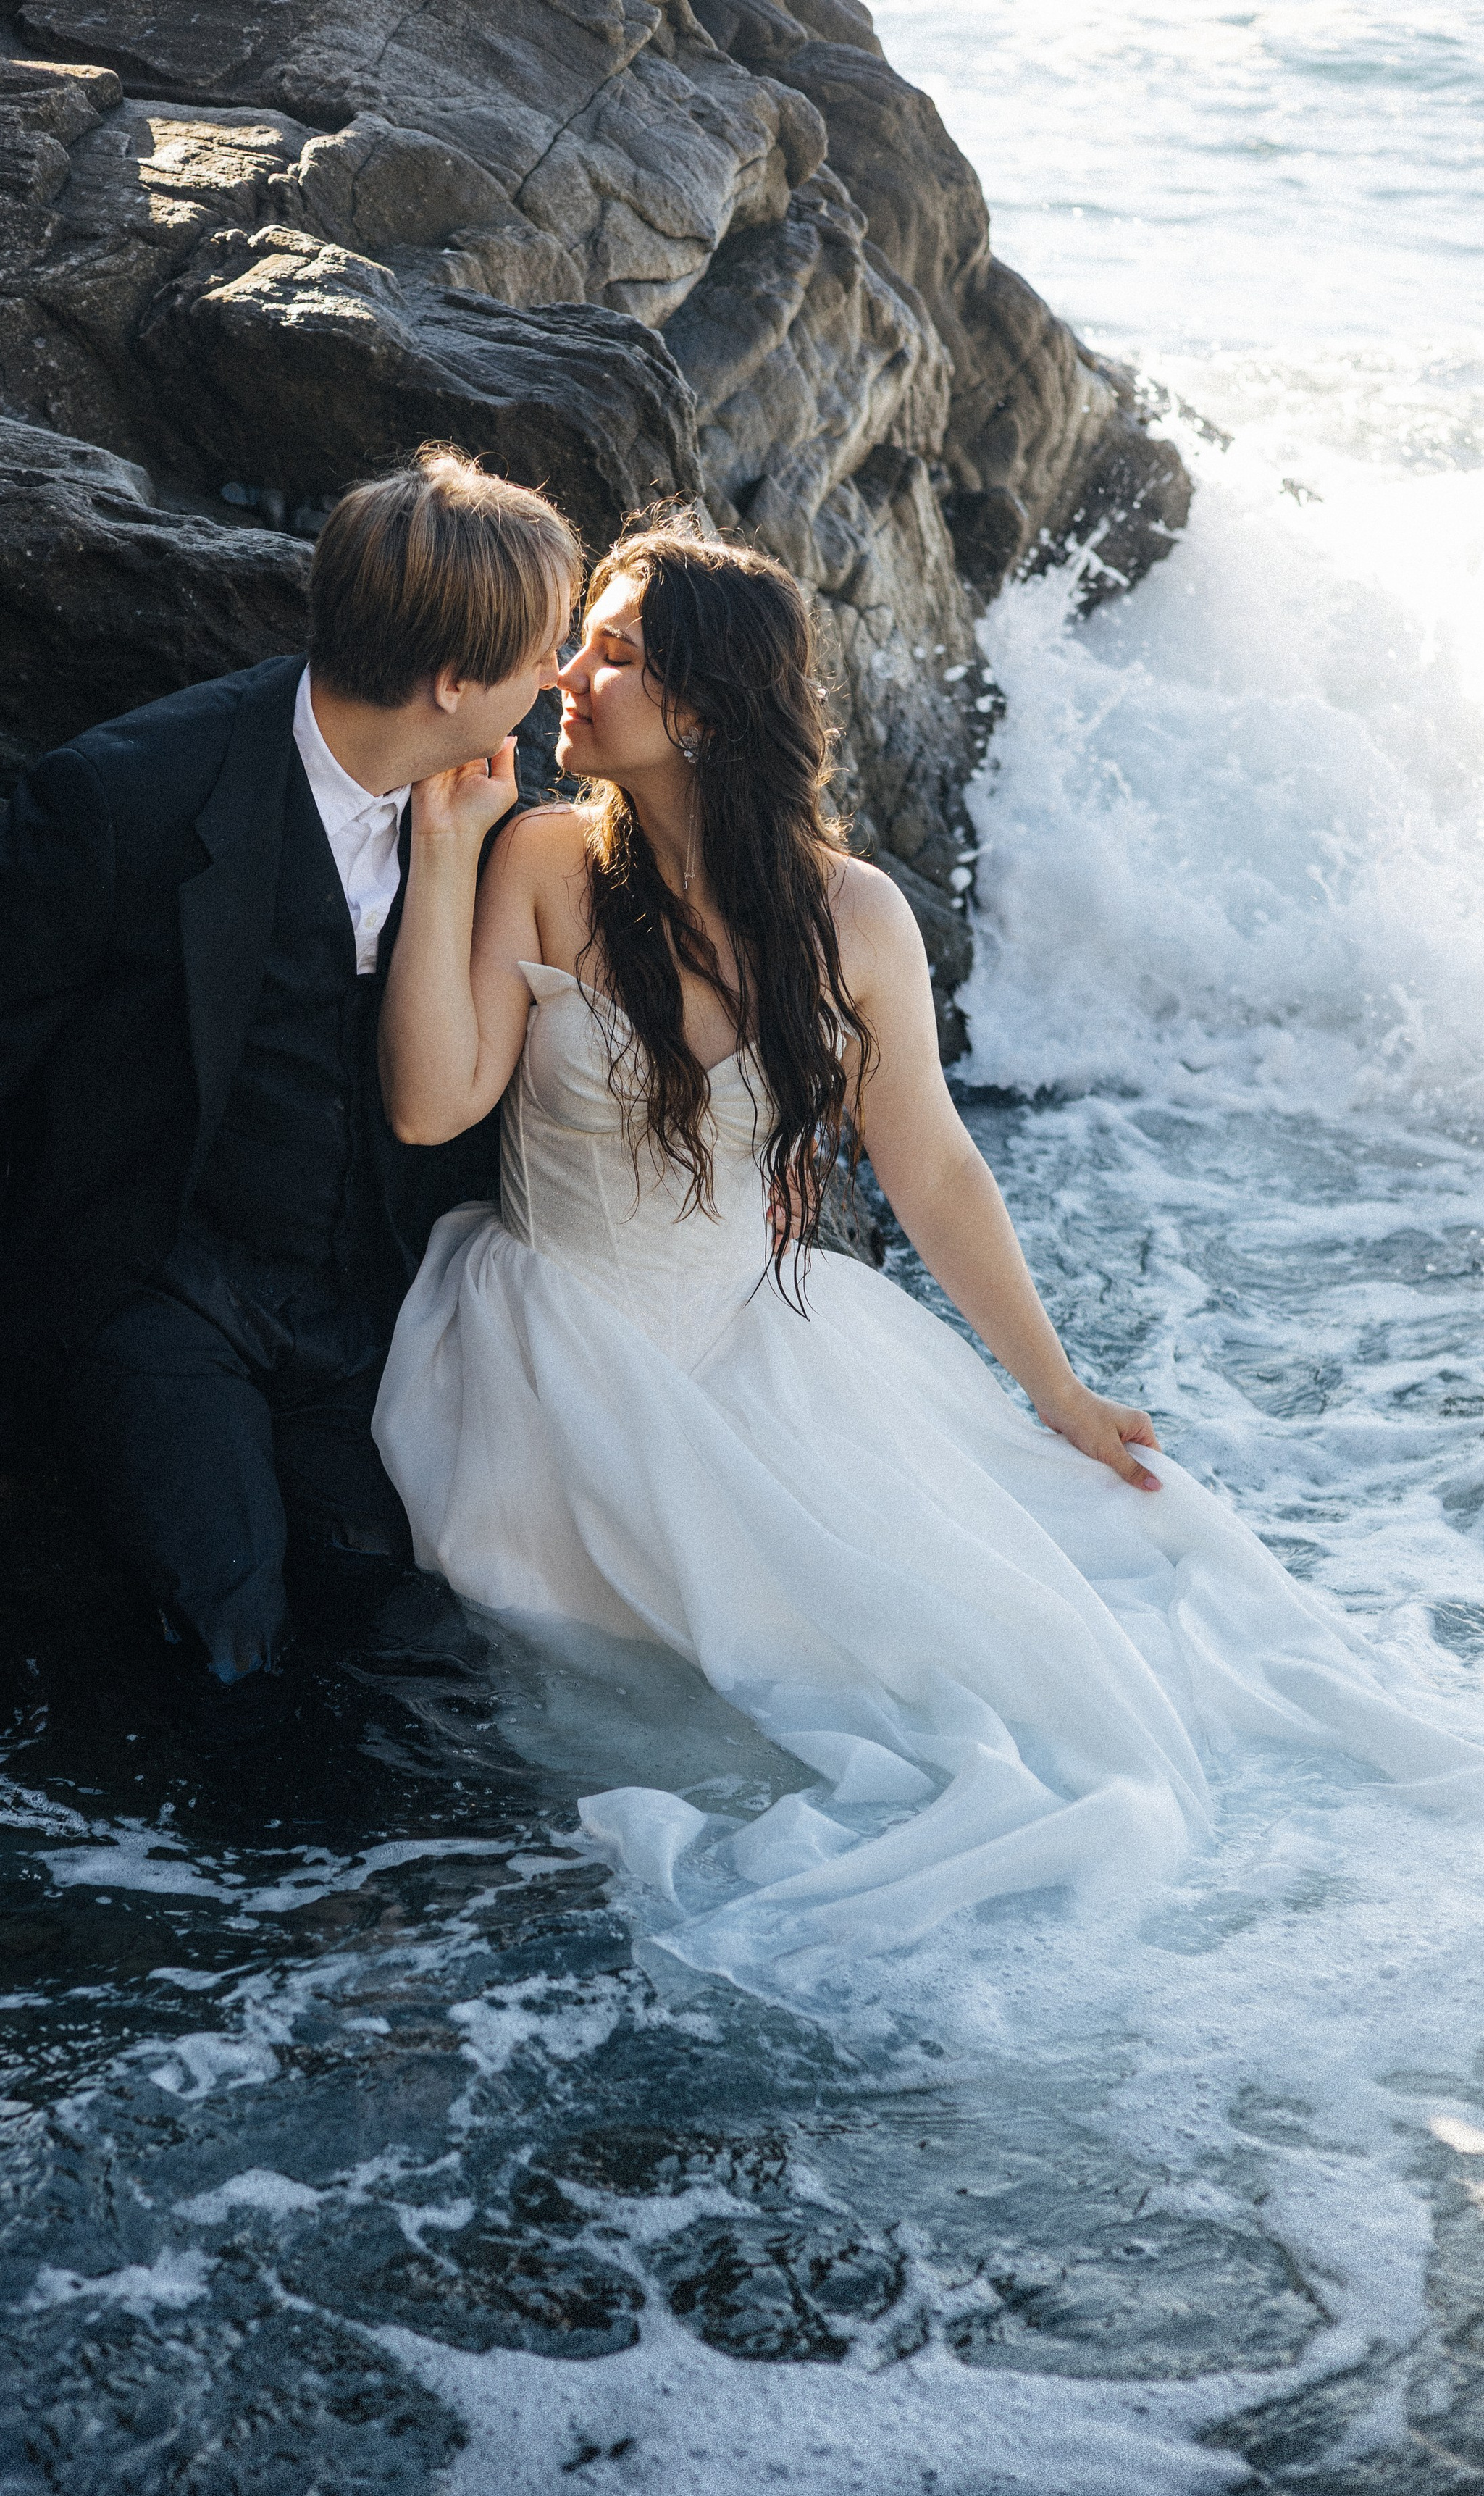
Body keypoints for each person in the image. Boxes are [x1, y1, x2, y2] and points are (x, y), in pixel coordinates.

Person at [373, 520, 1484, 1959]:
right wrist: (443, 850)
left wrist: (1055, 1394)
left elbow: (936, 1173)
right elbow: (426, 1104)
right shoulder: (533, 854)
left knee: (979, 1675)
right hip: (550, 1347)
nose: (564, 675)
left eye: (614, 654)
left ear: (703, 707)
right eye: (579, 643)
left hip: (759, 1344)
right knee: (662, 1693)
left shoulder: (850, 916)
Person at [0, 448, 580, 1687]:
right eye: (544, 654)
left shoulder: (500, 805)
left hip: (364, 1303)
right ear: (452, 681)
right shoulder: (123, 800)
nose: (556, 683)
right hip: (155, 1287)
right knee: (230, 1630)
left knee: (432, 1629)